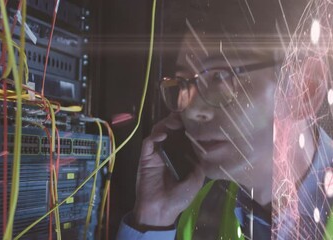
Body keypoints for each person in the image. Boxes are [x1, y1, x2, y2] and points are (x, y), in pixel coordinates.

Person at [116, 0, 333, 239]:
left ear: (306, 89)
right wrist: (154, 219)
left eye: (221, 77)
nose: (190, 110)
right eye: (183, 83)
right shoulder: (199, 208)